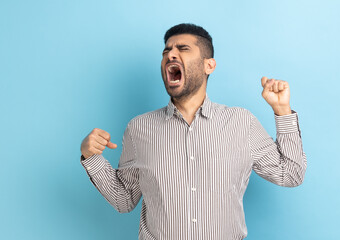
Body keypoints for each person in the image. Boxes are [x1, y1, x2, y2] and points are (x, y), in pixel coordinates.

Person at [80, 23, 307, 240]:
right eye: (166, 51)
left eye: (183, 48)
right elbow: (124, 199)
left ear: (209, 65)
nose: (171, 55)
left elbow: (291, 175)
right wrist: (91, 157)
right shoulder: (139, 128)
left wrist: (282, 111)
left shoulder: (241, 123)